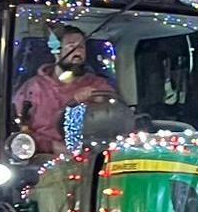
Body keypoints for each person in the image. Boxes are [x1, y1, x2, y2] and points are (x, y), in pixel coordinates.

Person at [13, 25, 120, 153]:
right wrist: (50, 146)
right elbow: (20, 129)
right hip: (42, 158)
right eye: (71, 46)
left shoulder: (97, 84)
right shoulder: (33, 87)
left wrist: (102, 100)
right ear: (56, 51)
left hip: (90, 157)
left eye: (81, 47)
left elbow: (117, 116)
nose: (78, 52)